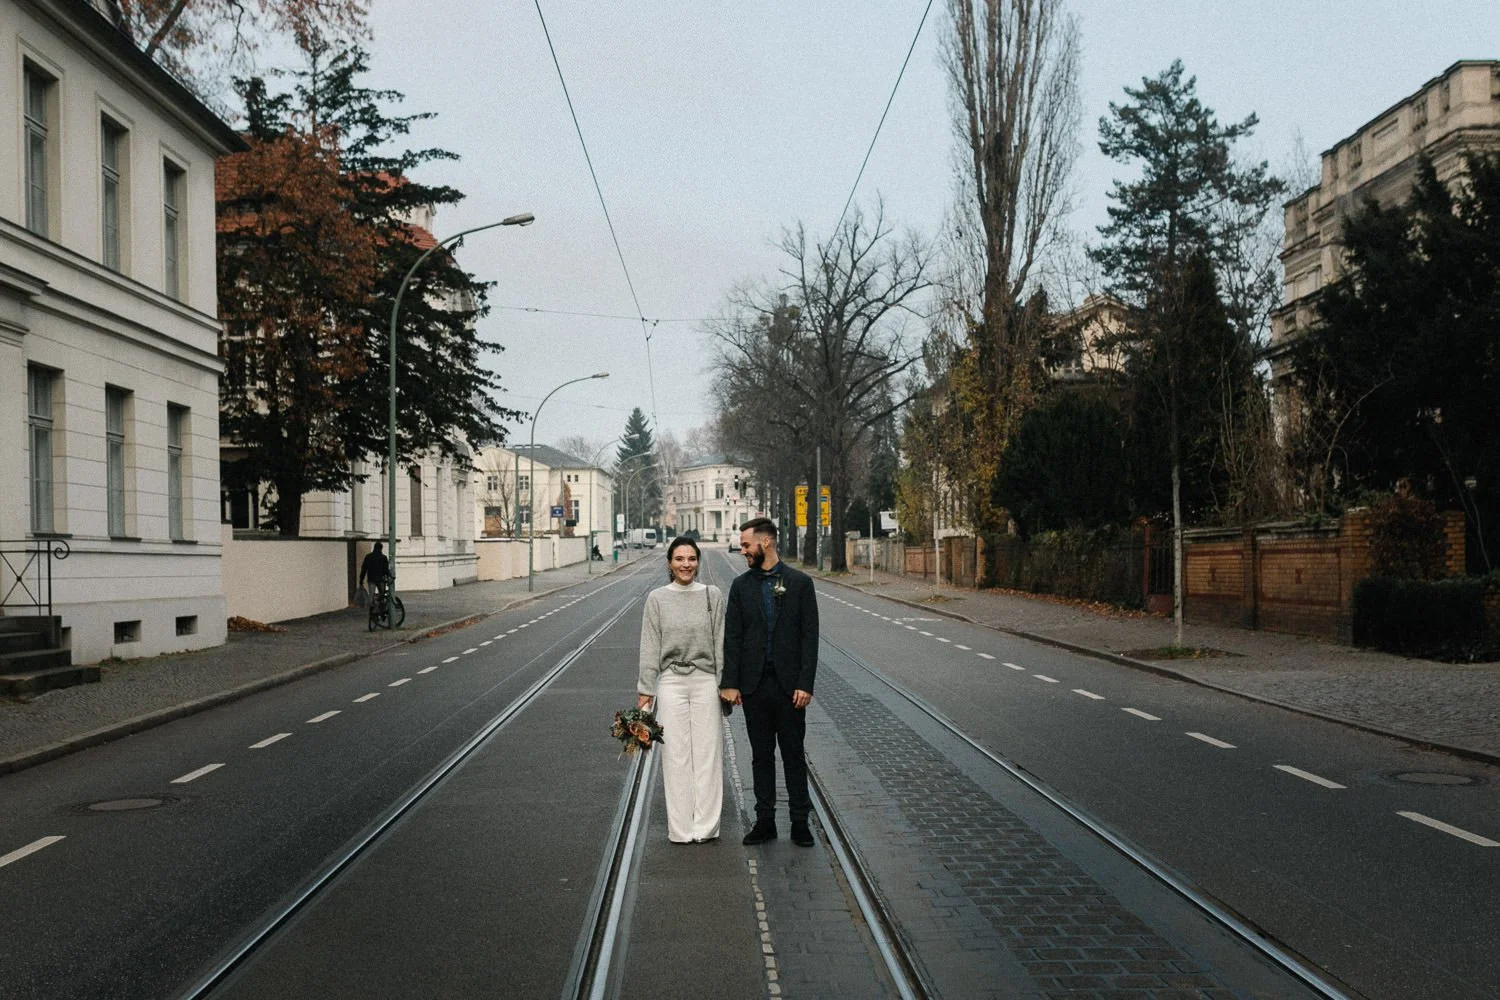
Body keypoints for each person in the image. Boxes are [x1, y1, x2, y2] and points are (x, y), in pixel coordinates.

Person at [720, 517, 818, 847]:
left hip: (790, 689)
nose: (742, 550)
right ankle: (765, 822)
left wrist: (805, 683)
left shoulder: (800, 583)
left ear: (766, 542)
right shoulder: (741, 586)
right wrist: (730, 682)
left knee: (793, 755)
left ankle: (800, 823)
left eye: (746, 545)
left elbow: (810, 638)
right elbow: (733, 637)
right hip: (754, 687)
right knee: (761, 756)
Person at [637, 536, 727, 844]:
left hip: (705, 680)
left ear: (698, 562)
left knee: (708, 755)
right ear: (670, 563)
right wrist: (645, 691)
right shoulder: (657, 599)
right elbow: (650, 646)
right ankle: (681, 828)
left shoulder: (712, 595)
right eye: (679, 559)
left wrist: (725, 684)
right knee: (675, 755)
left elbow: (720, 642)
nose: (686, 565)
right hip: (671, 681)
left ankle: (706, 827)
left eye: (691, 559)